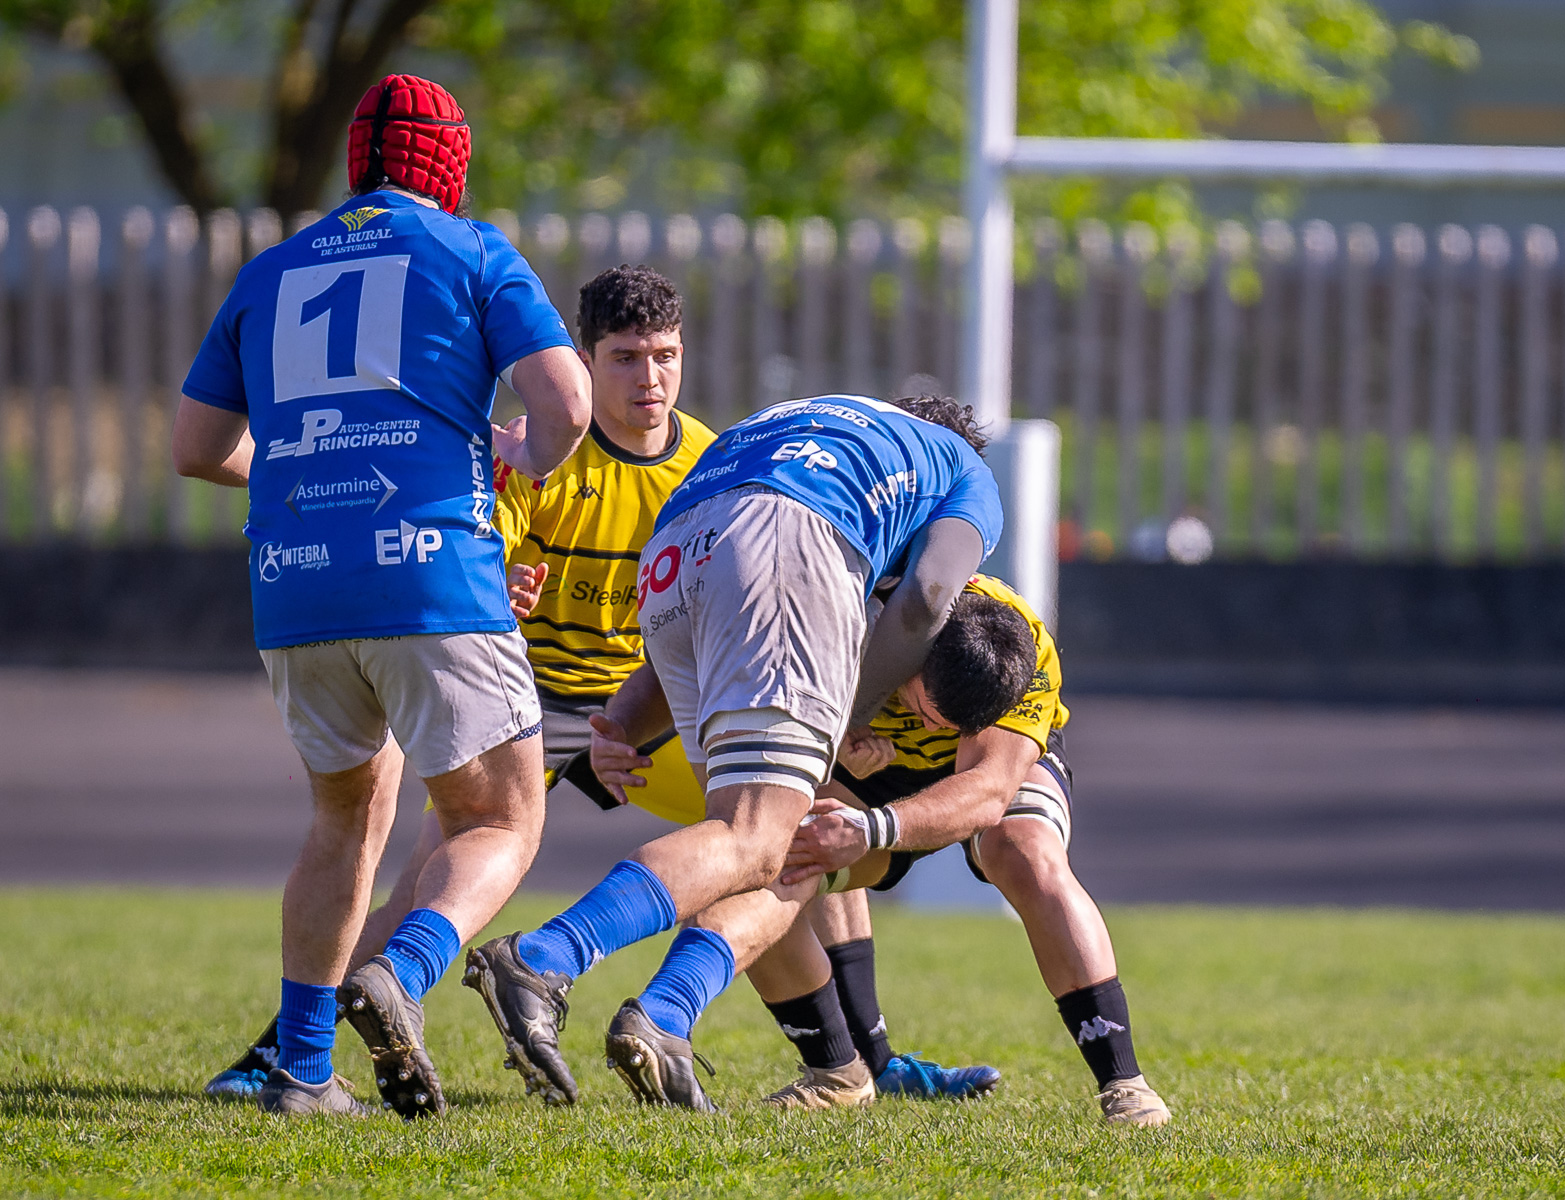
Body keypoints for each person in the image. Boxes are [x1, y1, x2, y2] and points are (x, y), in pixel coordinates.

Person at [173, 73, 590, 1118]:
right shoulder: (473, 251)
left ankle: (304, 1072)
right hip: (429, 570)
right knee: (500, 820)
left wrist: (300, 477)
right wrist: (521, 461)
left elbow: (194, 448)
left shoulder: (272, 270)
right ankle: (399, 973)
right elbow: (569, 404)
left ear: (356, 161)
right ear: (448, 166)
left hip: (294, 586)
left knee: (343, 822)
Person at [463, 393, 1004, 1108]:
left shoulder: (817, 421)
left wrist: (625, 717)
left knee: (760, 844)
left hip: (673, 554)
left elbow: (732, 559)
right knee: (757, 838)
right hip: (786, 541)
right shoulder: (961, 469)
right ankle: (543, 957)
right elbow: (932, 593)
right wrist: (853, 712)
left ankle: (693, 1028)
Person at [596, 574, 1173, 1126]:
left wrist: (872, 829)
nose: (933, 728)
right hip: (861, 769)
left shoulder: (1022, 648)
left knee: (1023, 849)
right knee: (781, 853)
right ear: (914, 655)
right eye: (926, 711)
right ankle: (736, 1036)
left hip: (984, 777)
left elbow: (988, 790)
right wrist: (623, 723)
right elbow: (700, 647)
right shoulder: (850, 609)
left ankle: (1124, 1082)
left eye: (952, 725)